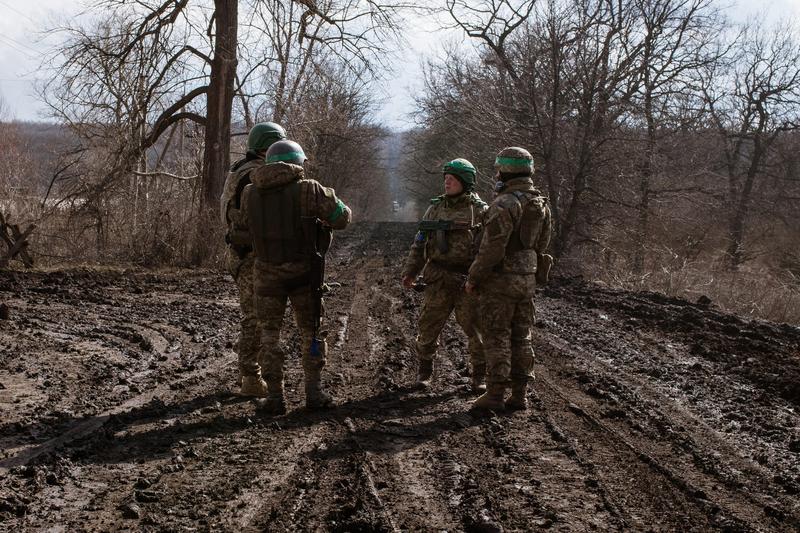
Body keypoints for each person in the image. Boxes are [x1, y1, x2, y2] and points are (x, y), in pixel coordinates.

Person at [241, 139, 352, 414]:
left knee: (269, 337)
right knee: (311, 332)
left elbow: (243, 227)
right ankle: (313, 392)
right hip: (305, 275)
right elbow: (343, 218)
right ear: (298, 163)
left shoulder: (249, 193)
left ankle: (275, 398)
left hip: (265, 276)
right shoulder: (309, 189)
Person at [465, 147, 552, 412]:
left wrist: (474, 276)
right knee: (521, 336)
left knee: (496, 335)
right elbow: (543, 243)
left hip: (500, 281)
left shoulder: (504, 204)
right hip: (527, 281)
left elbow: (492, 248)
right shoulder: (540, 203)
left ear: (505, 170)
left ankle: (494, 394)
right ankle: (520, 394)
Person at [401, 158, 488, 392]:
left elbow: (489, 249)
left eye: (452, 180)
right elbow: (419, 244)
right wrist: (411, 271)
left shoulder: (480, 211)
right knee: (428, 326)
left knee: (476, 330)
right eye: (445, 179)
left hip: (467, 281)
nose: (447, 183)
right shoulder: (435, 208)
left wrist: (479, 278)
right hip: (438, 278)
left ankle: (480, 377)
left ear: (465, 182)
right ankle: (424, 372)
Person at [220, 122, 286, 397]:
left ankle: (251, 374)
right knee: (255, 318)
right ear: (267, 148)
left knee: (256, 317)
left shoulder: (242, 170)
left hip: (242, 253)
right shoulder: (255, 176)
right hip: (248, 257)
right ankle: (250, 378)